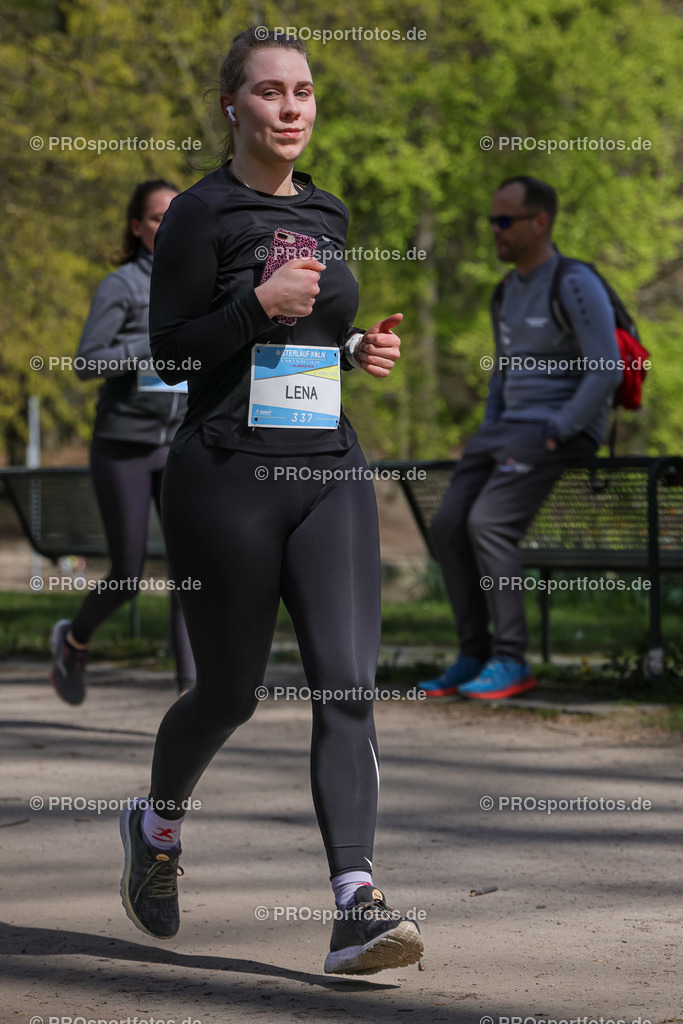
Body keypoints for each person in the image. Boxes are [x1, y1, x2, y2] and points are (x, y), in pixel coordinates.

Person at [118, 28, 424, 976]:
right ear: (231, 107)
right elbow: (171, 356)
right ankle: (157, 827)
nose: (290, 107)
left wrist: (352, 354)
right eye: (268, 92)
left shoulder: (330, 212)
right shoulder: (198, 216)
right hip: (224, 478)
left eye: (303, 90)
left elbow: (304, 342)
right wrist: (257, 305)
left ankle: (356, 903)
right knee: (229, 692)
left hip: (328, 467)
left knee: (347, 684)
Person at [419, 176, 622, 701]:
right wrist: (488, 427)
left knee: (488, 523)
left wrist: (560, 427)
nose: (495, 230)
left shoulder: (574, 282)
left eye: (505, 220)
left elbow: (606, 370)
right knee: (447, 524)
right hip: (505, 429)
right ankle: (474, 654)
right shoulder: (506, 289)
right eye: (491, 220)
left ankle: (511, 659)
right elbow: (502, 373)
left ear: (540, 222)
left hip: (557, 428)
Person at [50, 180, 196, 705]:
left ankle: (189, 697)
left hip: (181, 444)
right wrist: (152, 343)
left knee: (190, 572)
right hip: (124, 445)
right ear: (137, 227)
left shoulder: (198, 284)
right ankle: (73, 642)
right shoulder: (122, 286)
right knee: (128, 573)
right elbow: (88, 361)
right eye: (157, 218)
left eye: (176, 216)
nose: (168, 226)